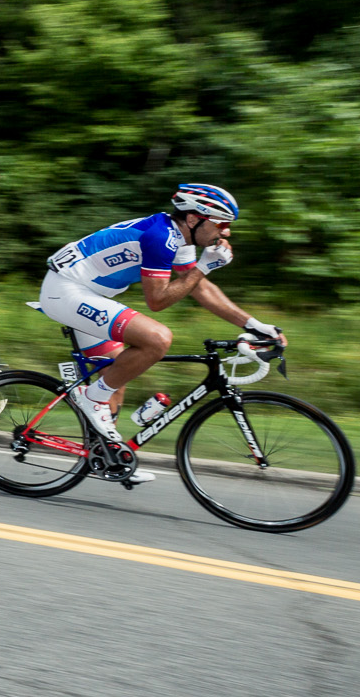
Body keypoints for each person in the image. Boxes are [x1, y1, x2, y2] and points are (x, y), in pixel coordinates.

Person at [39, 183, 283, 478]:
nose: (227, 232)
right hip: (65, 291)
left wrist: (252, 324)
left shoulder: (179, 239)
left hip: (88, 294)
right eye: (222, 224)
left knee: (116, 376)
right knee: (157, 339)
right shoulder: (161, 238)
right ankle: (90, 399)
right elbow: (158, 301)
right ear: (194, 219)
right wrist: (204, 267)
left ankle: (108, 459)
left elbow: (200, 289)